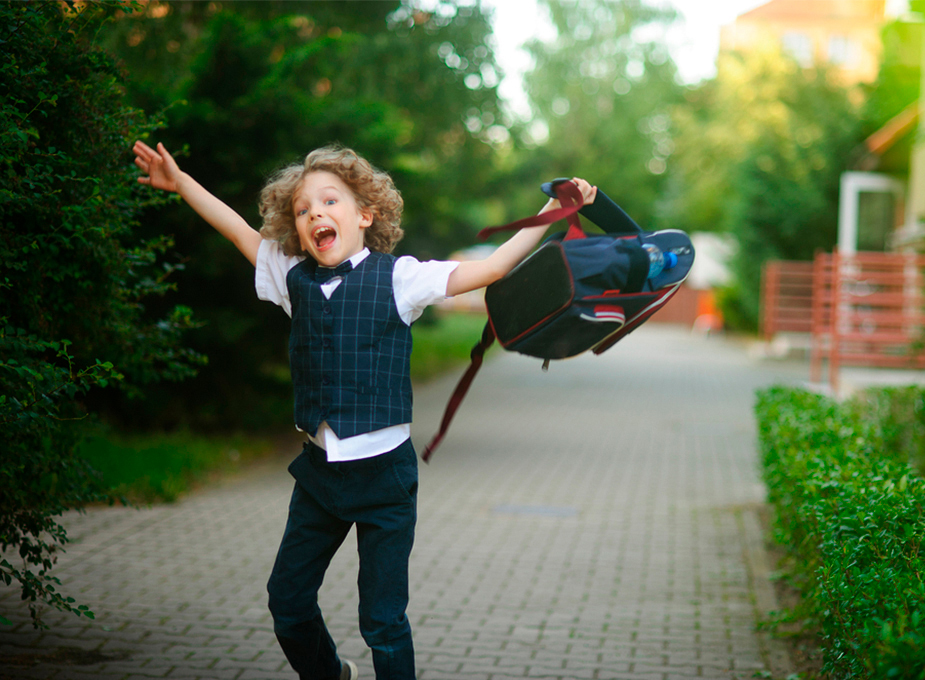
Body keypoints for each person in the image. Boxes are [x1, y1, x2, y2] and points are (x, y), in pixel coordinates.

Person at [132, 140, 596, 680]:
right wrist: (181, 181)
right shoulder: (292, 279)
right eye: (303, 210)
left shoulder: (400, 278)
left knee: (382, 622)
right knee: (287, 603)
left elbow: (492, 267)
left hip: (384, 481)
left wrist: (555, 209)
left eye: (329, 202)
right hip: (320, 479)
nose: (315, 215)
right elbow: (238, 230)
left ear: (364, 215)